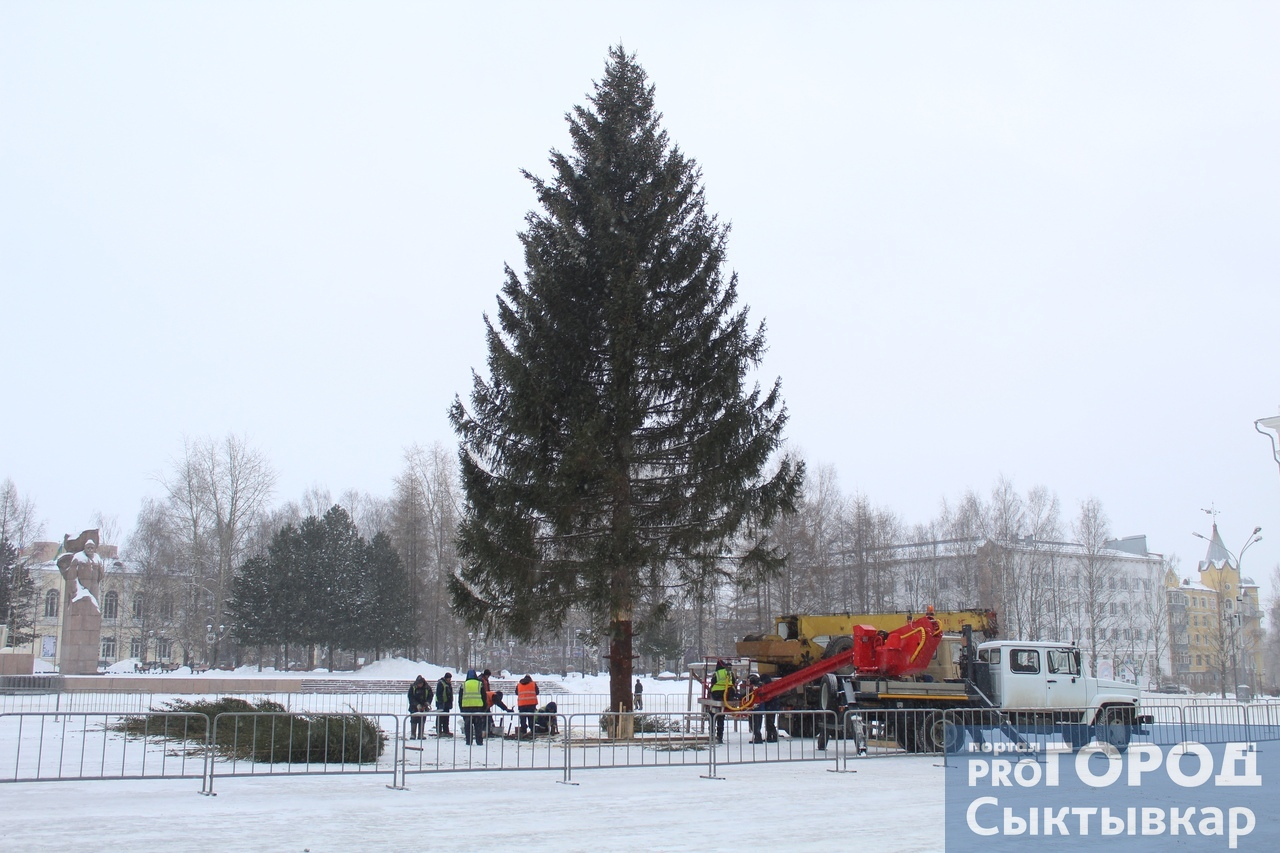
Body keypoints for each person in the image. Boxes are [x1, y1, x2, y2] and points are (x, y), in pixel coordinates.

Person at [460, 669, 487, 746]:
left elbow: (460, 698)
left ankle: (468, 741)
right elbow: (484, 697)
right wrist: (484, 708)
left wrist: (461, 709)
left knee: (468, 726)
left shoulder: (463, 685)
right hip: (478, 708)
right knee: (478, 726)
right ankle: (479, 741)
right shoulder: (480, 684)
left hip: (466, 708)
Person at [749, 674, 779, 744]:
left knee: (767, 722)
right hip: (770, 706)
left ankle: (771, 736)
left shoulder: (763, 687)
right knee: (769, 722)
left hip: (768, 706)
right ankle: (770, 736)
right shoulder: (769, 686)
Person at [710, 659, 733, 744]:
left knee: (712, 715)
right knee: (721, 717)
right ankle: (720, 736)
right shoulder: (729, 672)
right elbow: (733, 681)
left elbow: (713, 682)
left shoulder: (717, 673)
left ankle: (712, 735)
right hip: (727, 695)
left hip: (716, 694)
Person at [408, 675, 431, 739]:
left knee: (422, 721)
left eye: (420, 684)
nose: (419, 685)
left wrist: (427, 703)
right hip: (414, 707)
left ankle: (421, 734)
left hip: (423, 707)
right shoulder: (413, 687)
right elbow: (410, 697)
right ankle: (413, 734)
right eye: (418, 684)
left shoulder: (427, 688)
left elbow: (430, 696)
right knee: (413, 720)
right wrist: (416, 704)